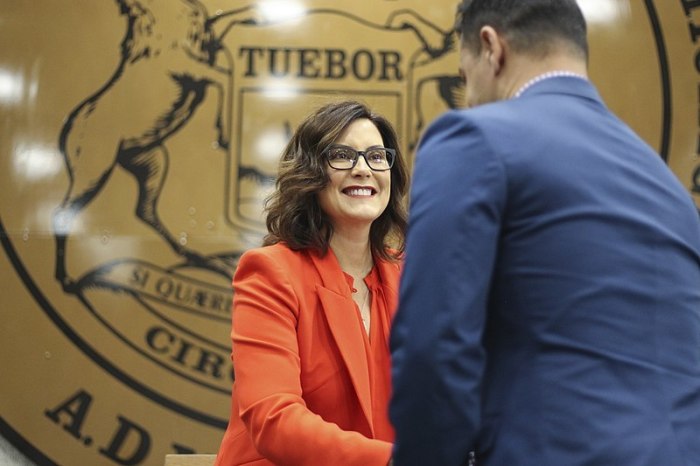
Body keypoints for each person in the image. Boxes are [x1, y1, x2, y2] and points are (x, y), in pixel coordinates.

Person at [389, 1, 700, 465]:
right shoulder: (666, 185)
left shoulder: (476, 139)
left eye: (463, 78)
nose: (469, 98)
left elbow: (433, 349)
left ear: (492, 48)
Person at [215, 100, 409, 466]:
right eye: (342, 155)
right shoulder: (270, 272)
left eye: (377, 156)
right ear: (310, 173)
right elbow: (274, 419)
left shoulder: (411, 277)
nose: (363, 169)